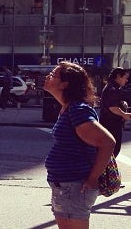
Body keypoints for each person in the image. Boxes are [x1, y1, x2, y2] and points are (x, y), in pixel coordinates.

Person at [43, 61, 116, 228]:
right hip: (65, 186)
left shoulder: (78, 109)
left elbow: (107, 142)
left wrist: (92, 179)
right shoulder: (68, 108)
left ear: (65, 84)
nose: (48, 76)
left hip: (75, 186)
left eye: (53, 74)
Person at [99, 68, 131, 158]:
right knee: (113, 148)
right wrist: (124, 114)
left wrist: (122, 104)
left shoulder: (114, 87)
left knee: (112, 148)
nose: (126, 80)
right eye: (125, 77)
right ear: (118, 76)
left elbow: (114, 103)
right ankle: (106, 170)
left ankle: (107, 169)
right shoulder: (112, 88)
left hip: (112, 123)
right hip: (111, 124)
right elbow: (113, 108)